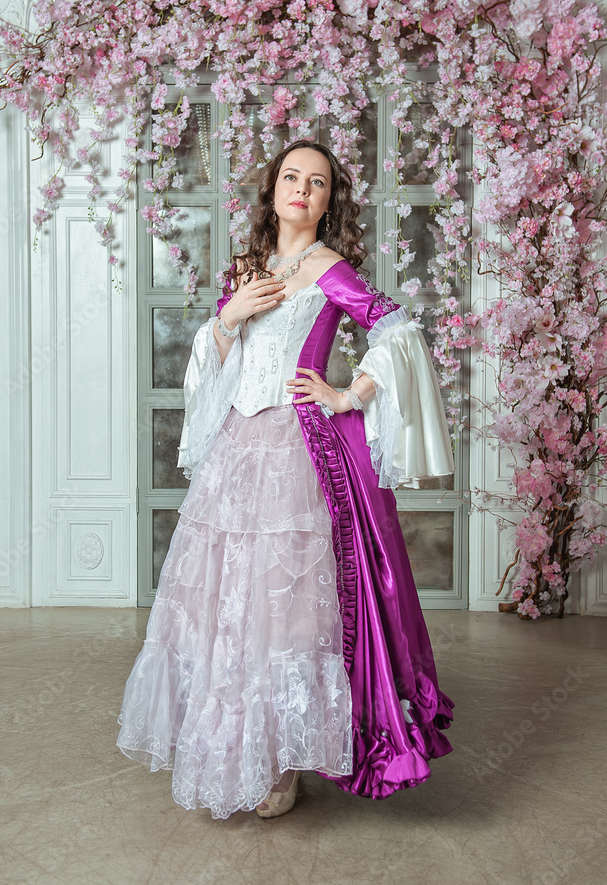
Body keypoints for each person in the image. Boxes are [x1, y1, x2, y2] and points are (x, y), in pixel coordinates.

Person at [117, 140, 456, 820]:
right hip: (236, 450)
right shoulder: (248, 267)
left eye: (319, 183)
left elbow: (399, 333)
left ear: (330, 201)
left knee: (286, 609)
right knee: (227, 605)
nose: (303, 189)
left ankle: (284, 762)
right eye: (293, 177)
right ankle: (235, 745)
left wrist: (347, 394)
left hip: (294, 451)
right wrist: (228, 317)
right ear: (273, 189)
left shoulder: (331, 270)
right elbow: (225, 357)